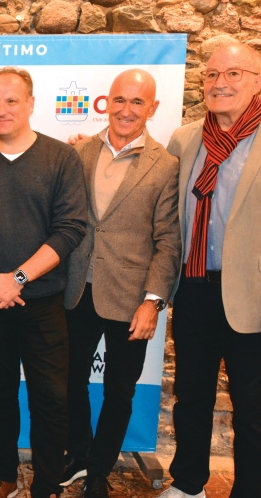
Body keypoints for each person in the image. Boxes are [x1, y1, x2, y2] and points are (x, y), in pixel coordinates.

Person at [158, 42, 261, 497]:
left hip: (259, 298)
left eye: (234, 73)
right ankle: (188, 484)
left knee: (252, 409)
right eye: (212, 75)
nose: (220, 83)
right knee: (191, 397)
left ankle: (249, 491)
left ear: (259, 80)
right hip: (193, 290)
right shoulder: (185, 138)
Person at [0, 67, 88, 498]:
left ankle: (47, 484)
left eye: (12, 101)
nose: (2, 110)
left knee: (50, 398)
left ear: (30, 103)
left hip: (42, 302)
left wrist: (18, 279)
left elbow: (69, 230)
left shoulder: (61, 158)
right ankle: (3, 475)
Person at [58, 70, 182, 497]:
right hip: (76, 290)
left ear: (152, 108)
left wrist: (153, 302)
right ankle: (77, 454)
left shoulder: (166, 166)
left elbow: (168, 241)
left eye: (137, 102)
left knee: (119, 390)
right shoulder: (78, 154)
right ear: (105, 102)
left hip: (131, 299)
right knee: (69, 380)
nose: (127, 110)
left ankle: (99, 470)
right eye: (119, 100)